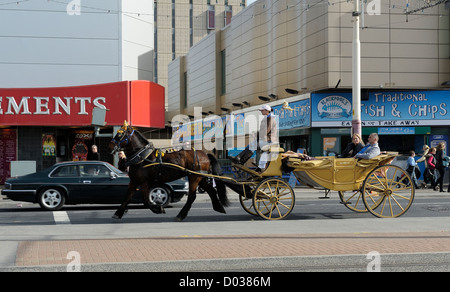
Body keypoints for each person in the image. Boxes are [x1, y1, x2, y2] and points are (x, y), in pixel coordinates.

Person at [228, 104, 278, 170]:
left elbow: (266, 130)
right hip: (266, 139)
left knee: (252, 145)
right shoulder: (267, 118)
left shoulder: (270, 118)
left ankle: (240, 159)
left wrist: (256, 135)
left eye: (262, 110)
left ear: (266, 111)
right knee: (254, 147)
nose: (261, 112)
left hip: (269, 141)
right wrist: (256, 134)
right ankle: (241, 159)